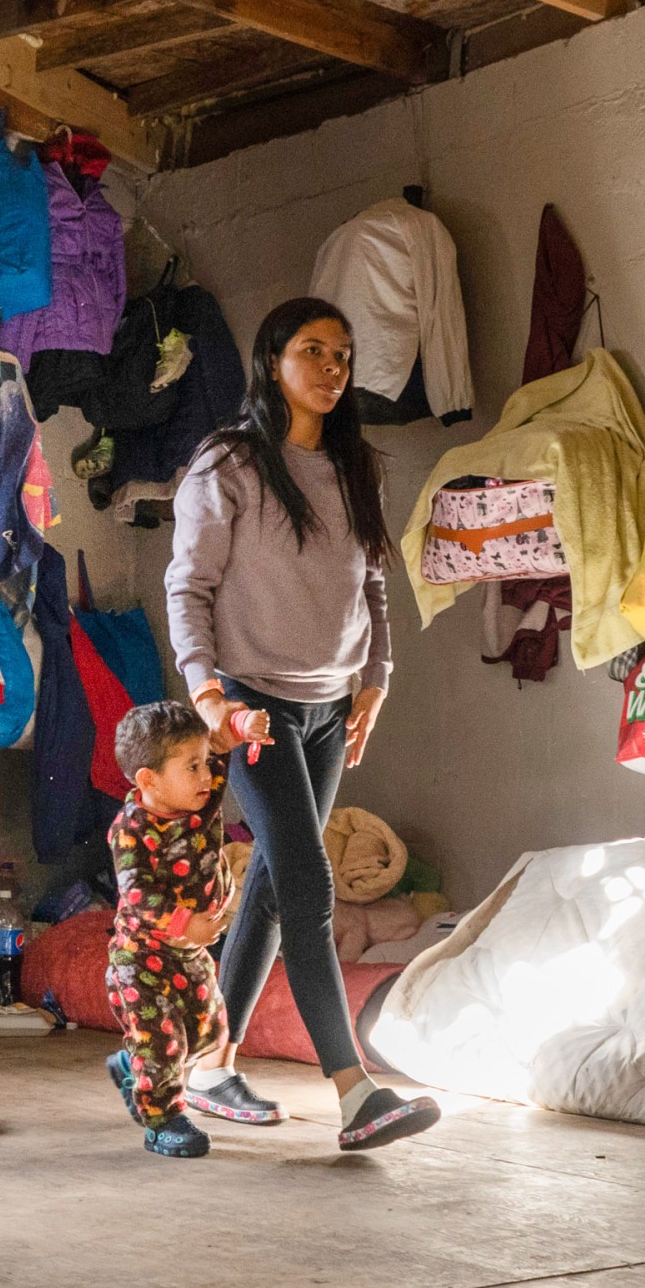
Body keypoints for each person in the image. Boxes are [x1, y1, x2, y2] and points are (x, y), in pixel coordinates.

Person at [165, 295, 442, 1152]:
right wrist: (211, 699)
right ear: (272, 362)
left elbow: (374, 588)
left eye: (343, 355)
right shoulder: (231, 464)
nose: (331, 369)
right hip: (254, 707)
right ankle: (356, 1092)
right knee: (311, 883)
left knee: (279, 889)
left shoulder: (356, 464)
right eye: (313, 352)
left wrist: (378, 681)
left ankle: (209, 1067)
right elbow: (189, 590)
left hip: (330, 708)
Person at [103, 700, 262, 1159]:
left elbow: (222, 748)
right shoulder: (132, 828)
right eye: (192, 766)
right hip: (141, 957)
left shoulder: (199, 799)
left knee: (209, 1032)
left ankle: (133, 1068)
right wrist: (183, 922)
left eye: (204, 764)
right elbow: (135, 893)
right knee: (163, 1042)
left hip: (190, 953)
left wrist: (237, 728)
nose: (206, 776)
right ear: (148, 781)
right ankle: (163, 1119)